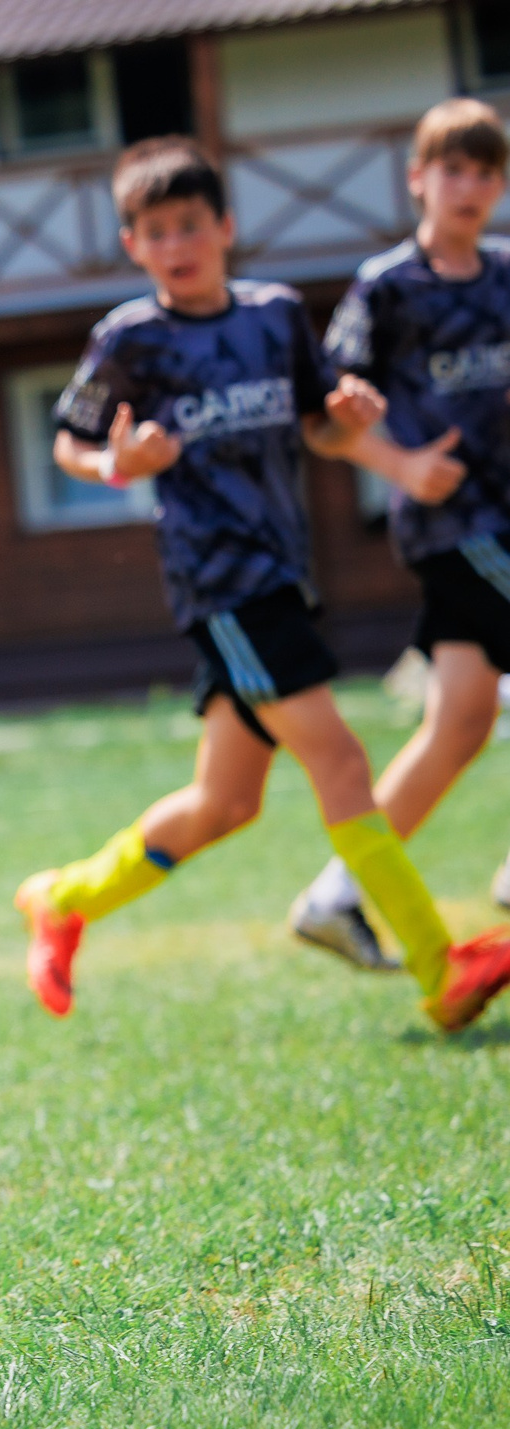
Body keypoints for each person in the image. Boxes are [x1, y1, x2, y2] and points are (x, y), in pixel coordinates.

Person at [21, 137, 510, 1032]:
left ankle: (64, 896)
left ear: (226, 228)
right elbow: (69, 443)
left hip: (285, 574)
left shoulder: (277, 317)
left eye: (192, 226)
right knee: (343, 760)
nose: (178, 244)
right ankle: (441, 970)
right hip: (222, 584)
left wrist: (356, 424)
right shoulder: (133, 339)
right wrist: (114, 464)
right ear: (133, 243)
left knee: (226, 804)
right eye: (156, 230)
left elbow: (323, 430)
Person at [285, 98, 510, 967]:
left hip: (504, 519)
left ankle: (336, 896)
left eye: (485, 171)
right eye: (451, 168)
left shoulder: (503, 276)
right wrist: (402, 466)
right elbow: (323, 424)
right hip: (455, 525)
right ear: (417, 178)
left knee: (457, 725)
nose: (469, 186)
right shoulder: (387, 289)